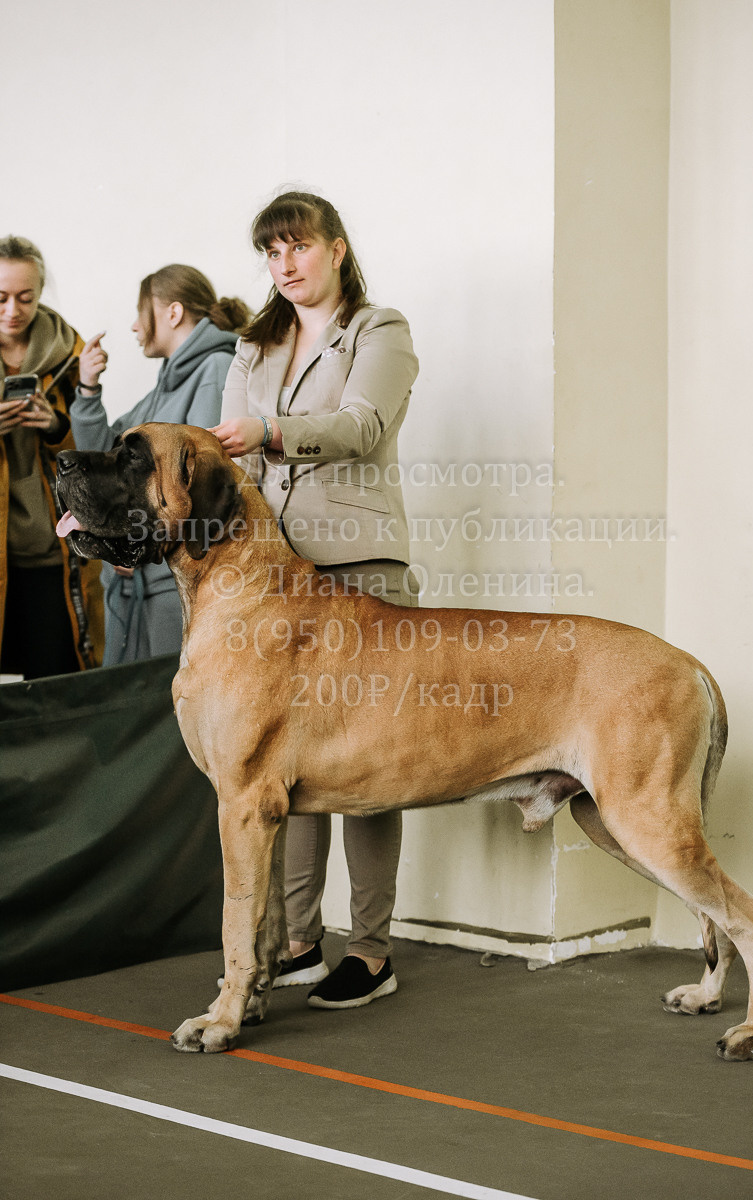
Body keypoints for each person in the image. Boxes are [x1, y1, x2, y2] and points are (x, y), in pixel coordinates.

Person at [212, 191, 419, 1009]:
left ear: (335, 249)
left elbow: (362, 426)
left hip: (359, 565)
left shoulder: (379, 328)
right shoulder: (253, 343)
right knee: (279, 763)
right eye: (271, 253)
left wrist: (268, 434)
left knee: (373, 765)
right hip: (271, 578)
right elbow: (231, 461)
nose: (285, 265)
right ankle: (297, 942)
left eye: (298, 247)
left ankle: (369, 950)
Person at [70, 265, 249, 665]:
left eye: (141, 311)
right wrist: (87, 390)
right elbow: (104, 459)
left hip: (174, 587)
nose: (135, 326)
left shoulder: (214, 370)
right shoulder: (162, 388)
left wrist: (141, 543)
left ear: (173, 313)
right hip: (144, 587)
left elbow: (199, 481)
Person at [0, 235, 104, 679]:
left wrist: (57, 426)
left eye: (26, 297)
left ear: (42, 294)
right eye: (0, 297)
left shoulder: (69, 353)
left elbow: (94, 454)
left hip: (53, 556)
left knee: (55, 685)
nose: (12, 311)